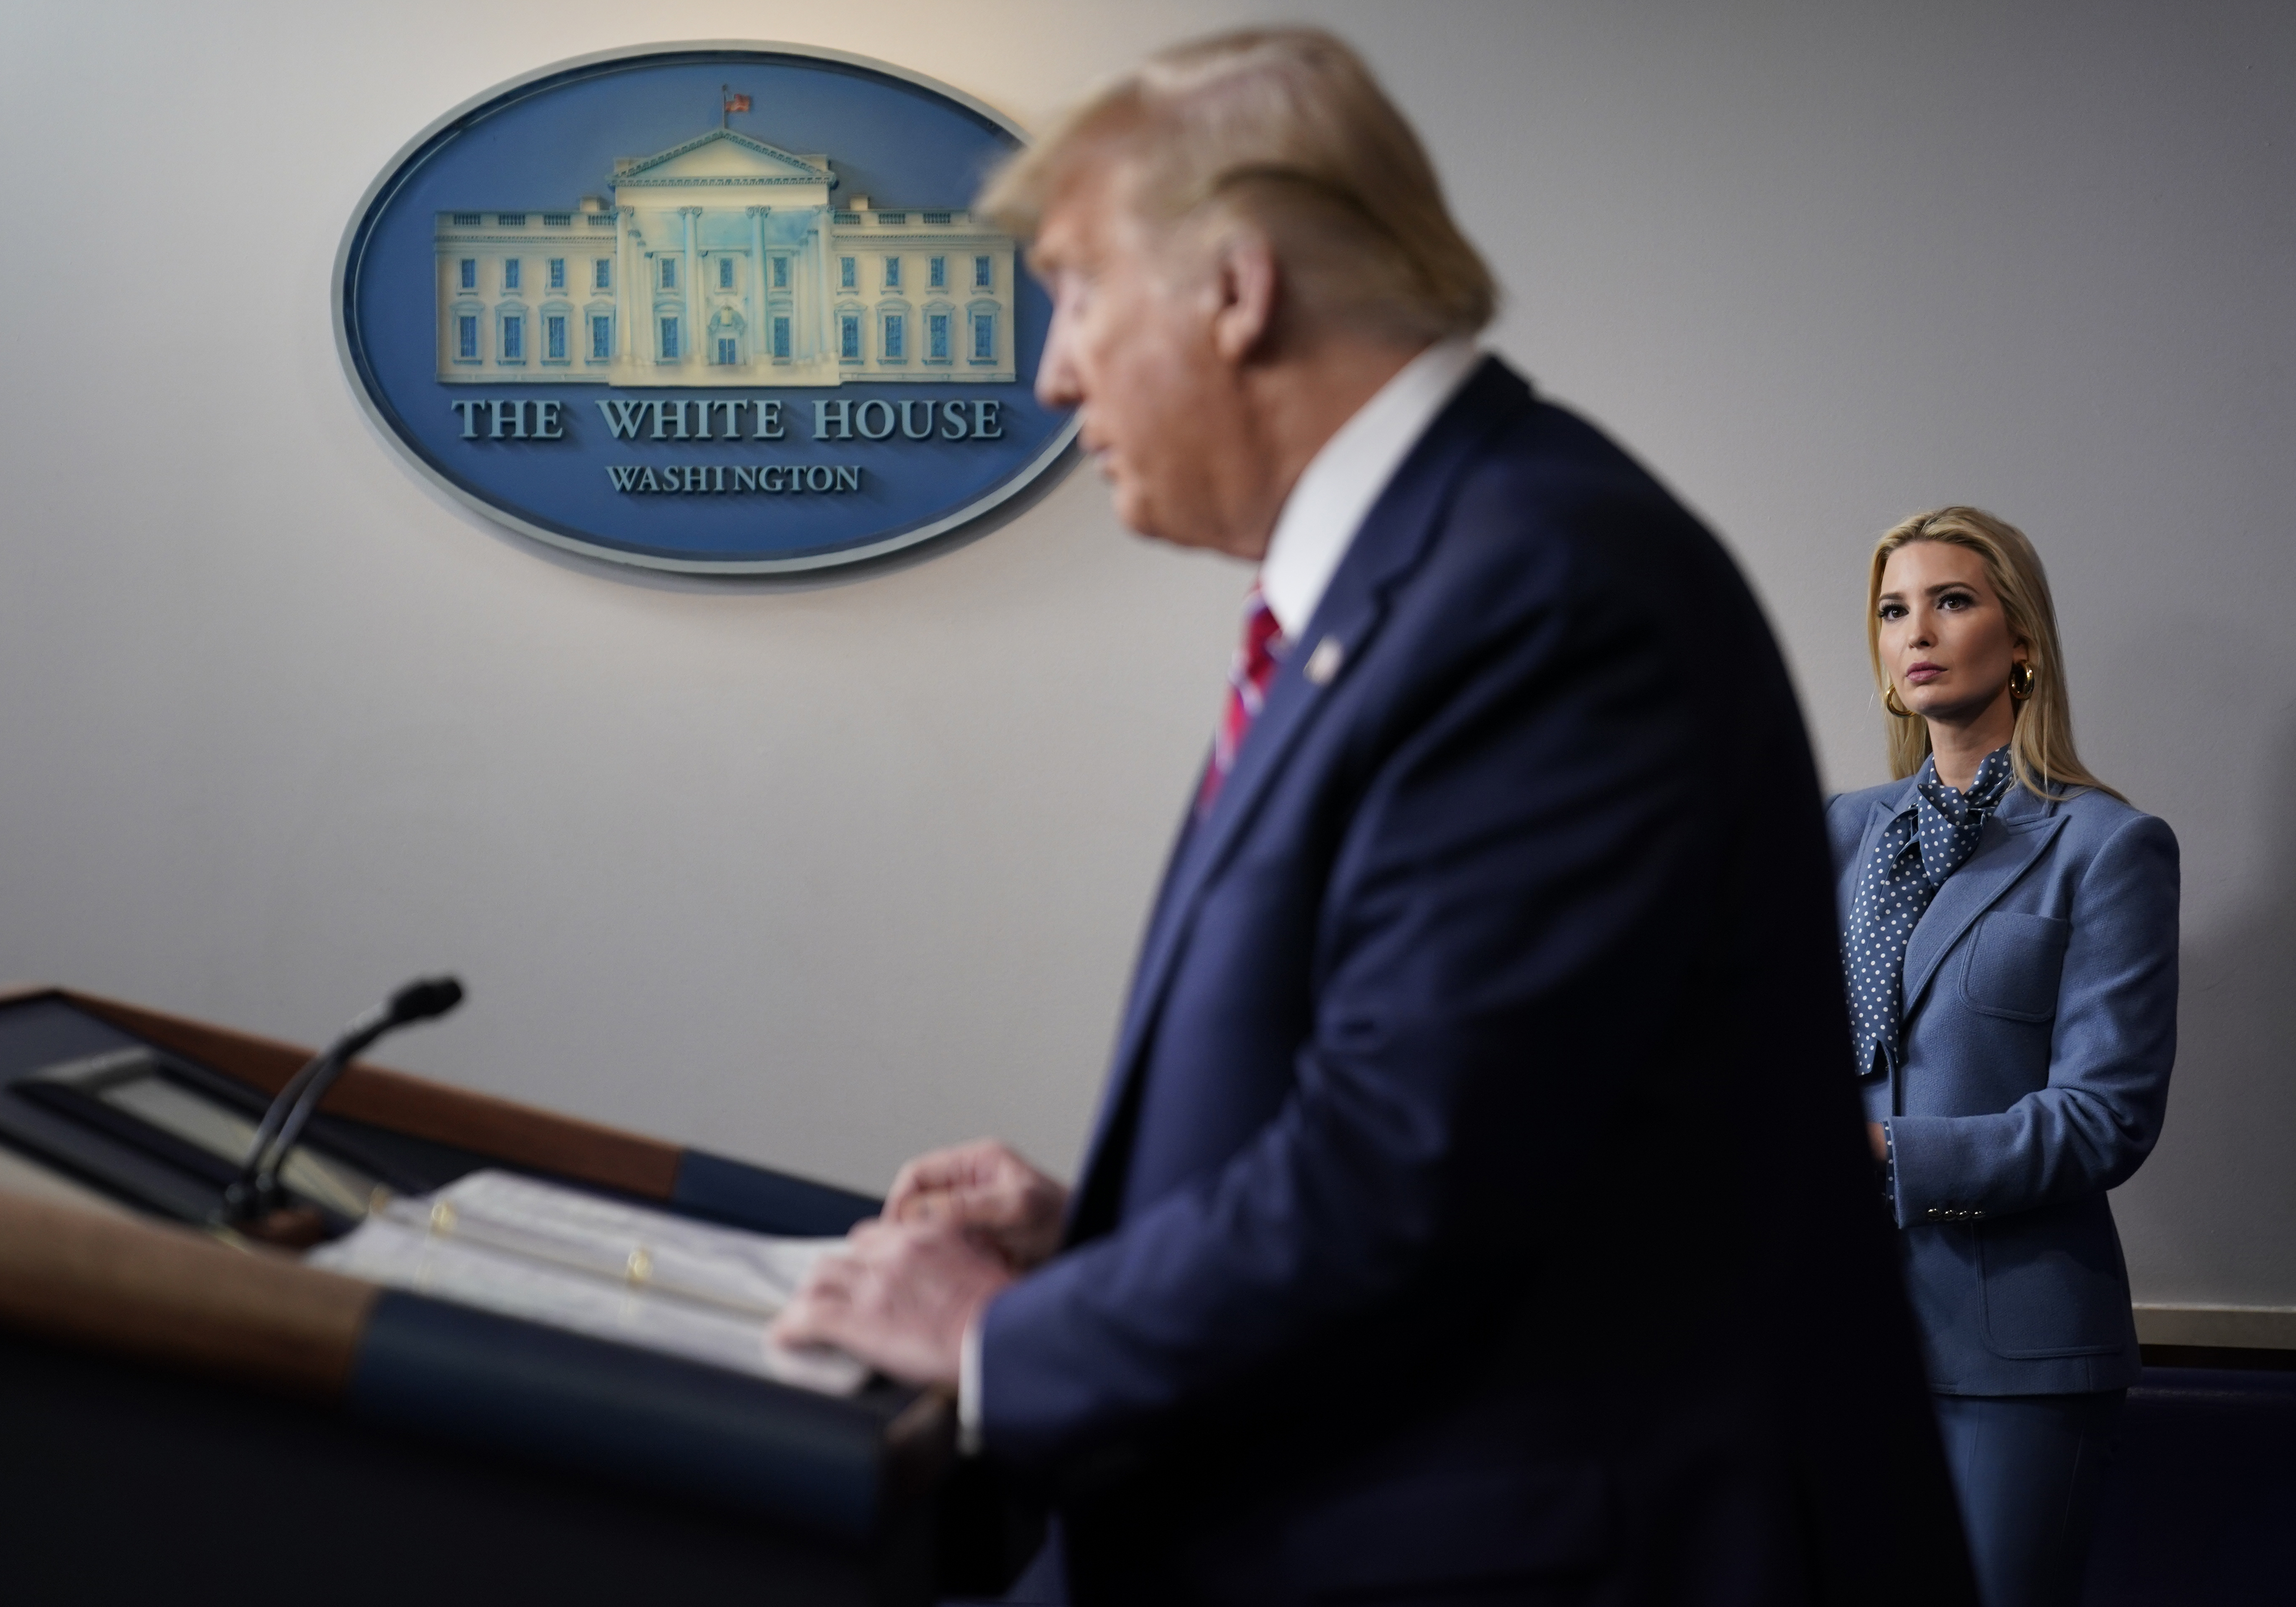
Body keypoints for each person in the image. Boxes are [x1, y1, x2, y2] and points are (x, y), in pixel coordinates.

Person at [774, 28, 1974, 1604]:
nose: (1051, 369)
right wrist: (1098, 1246)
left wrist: (994, 1339)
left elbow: (1401, 1174)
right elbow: (1471, 1127)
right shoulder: (1434, 572)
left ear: (1233, 286)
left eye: (1073, 286)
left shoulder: (1546, 588)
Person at [1829, 507, 2177, 1607]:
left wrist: (1890, 1153)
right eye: (1893, 609)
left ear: (2020, 638)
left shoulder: (2106, 846)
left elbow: (2104, 1114)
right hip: (1835, 1339)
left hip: (2014, 1353)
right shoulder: (1839, 831)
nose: (1916, 629)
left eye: (1952, 600)